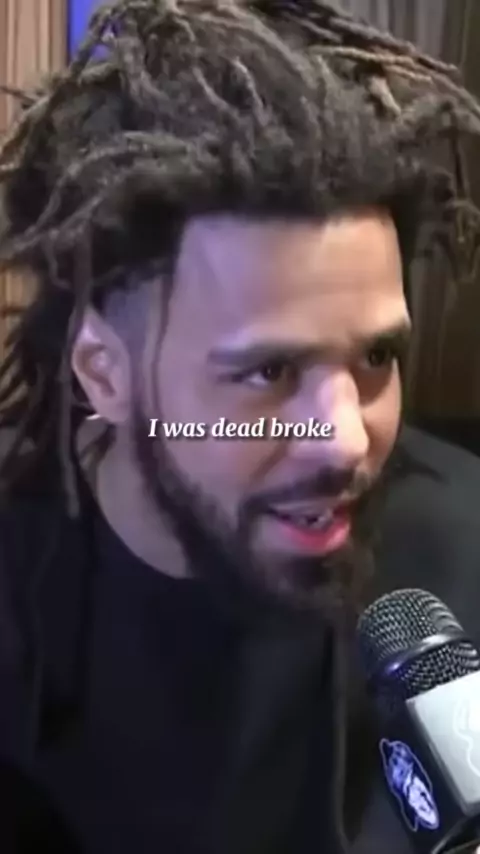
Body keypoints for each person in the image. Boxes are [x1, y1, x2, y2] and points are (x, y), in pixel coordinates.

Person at [0, 0, 480, 851]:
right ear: (104, 374)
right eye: (268, 372)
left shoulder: (465, 545)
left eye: (376, 356)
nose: (347, 439)